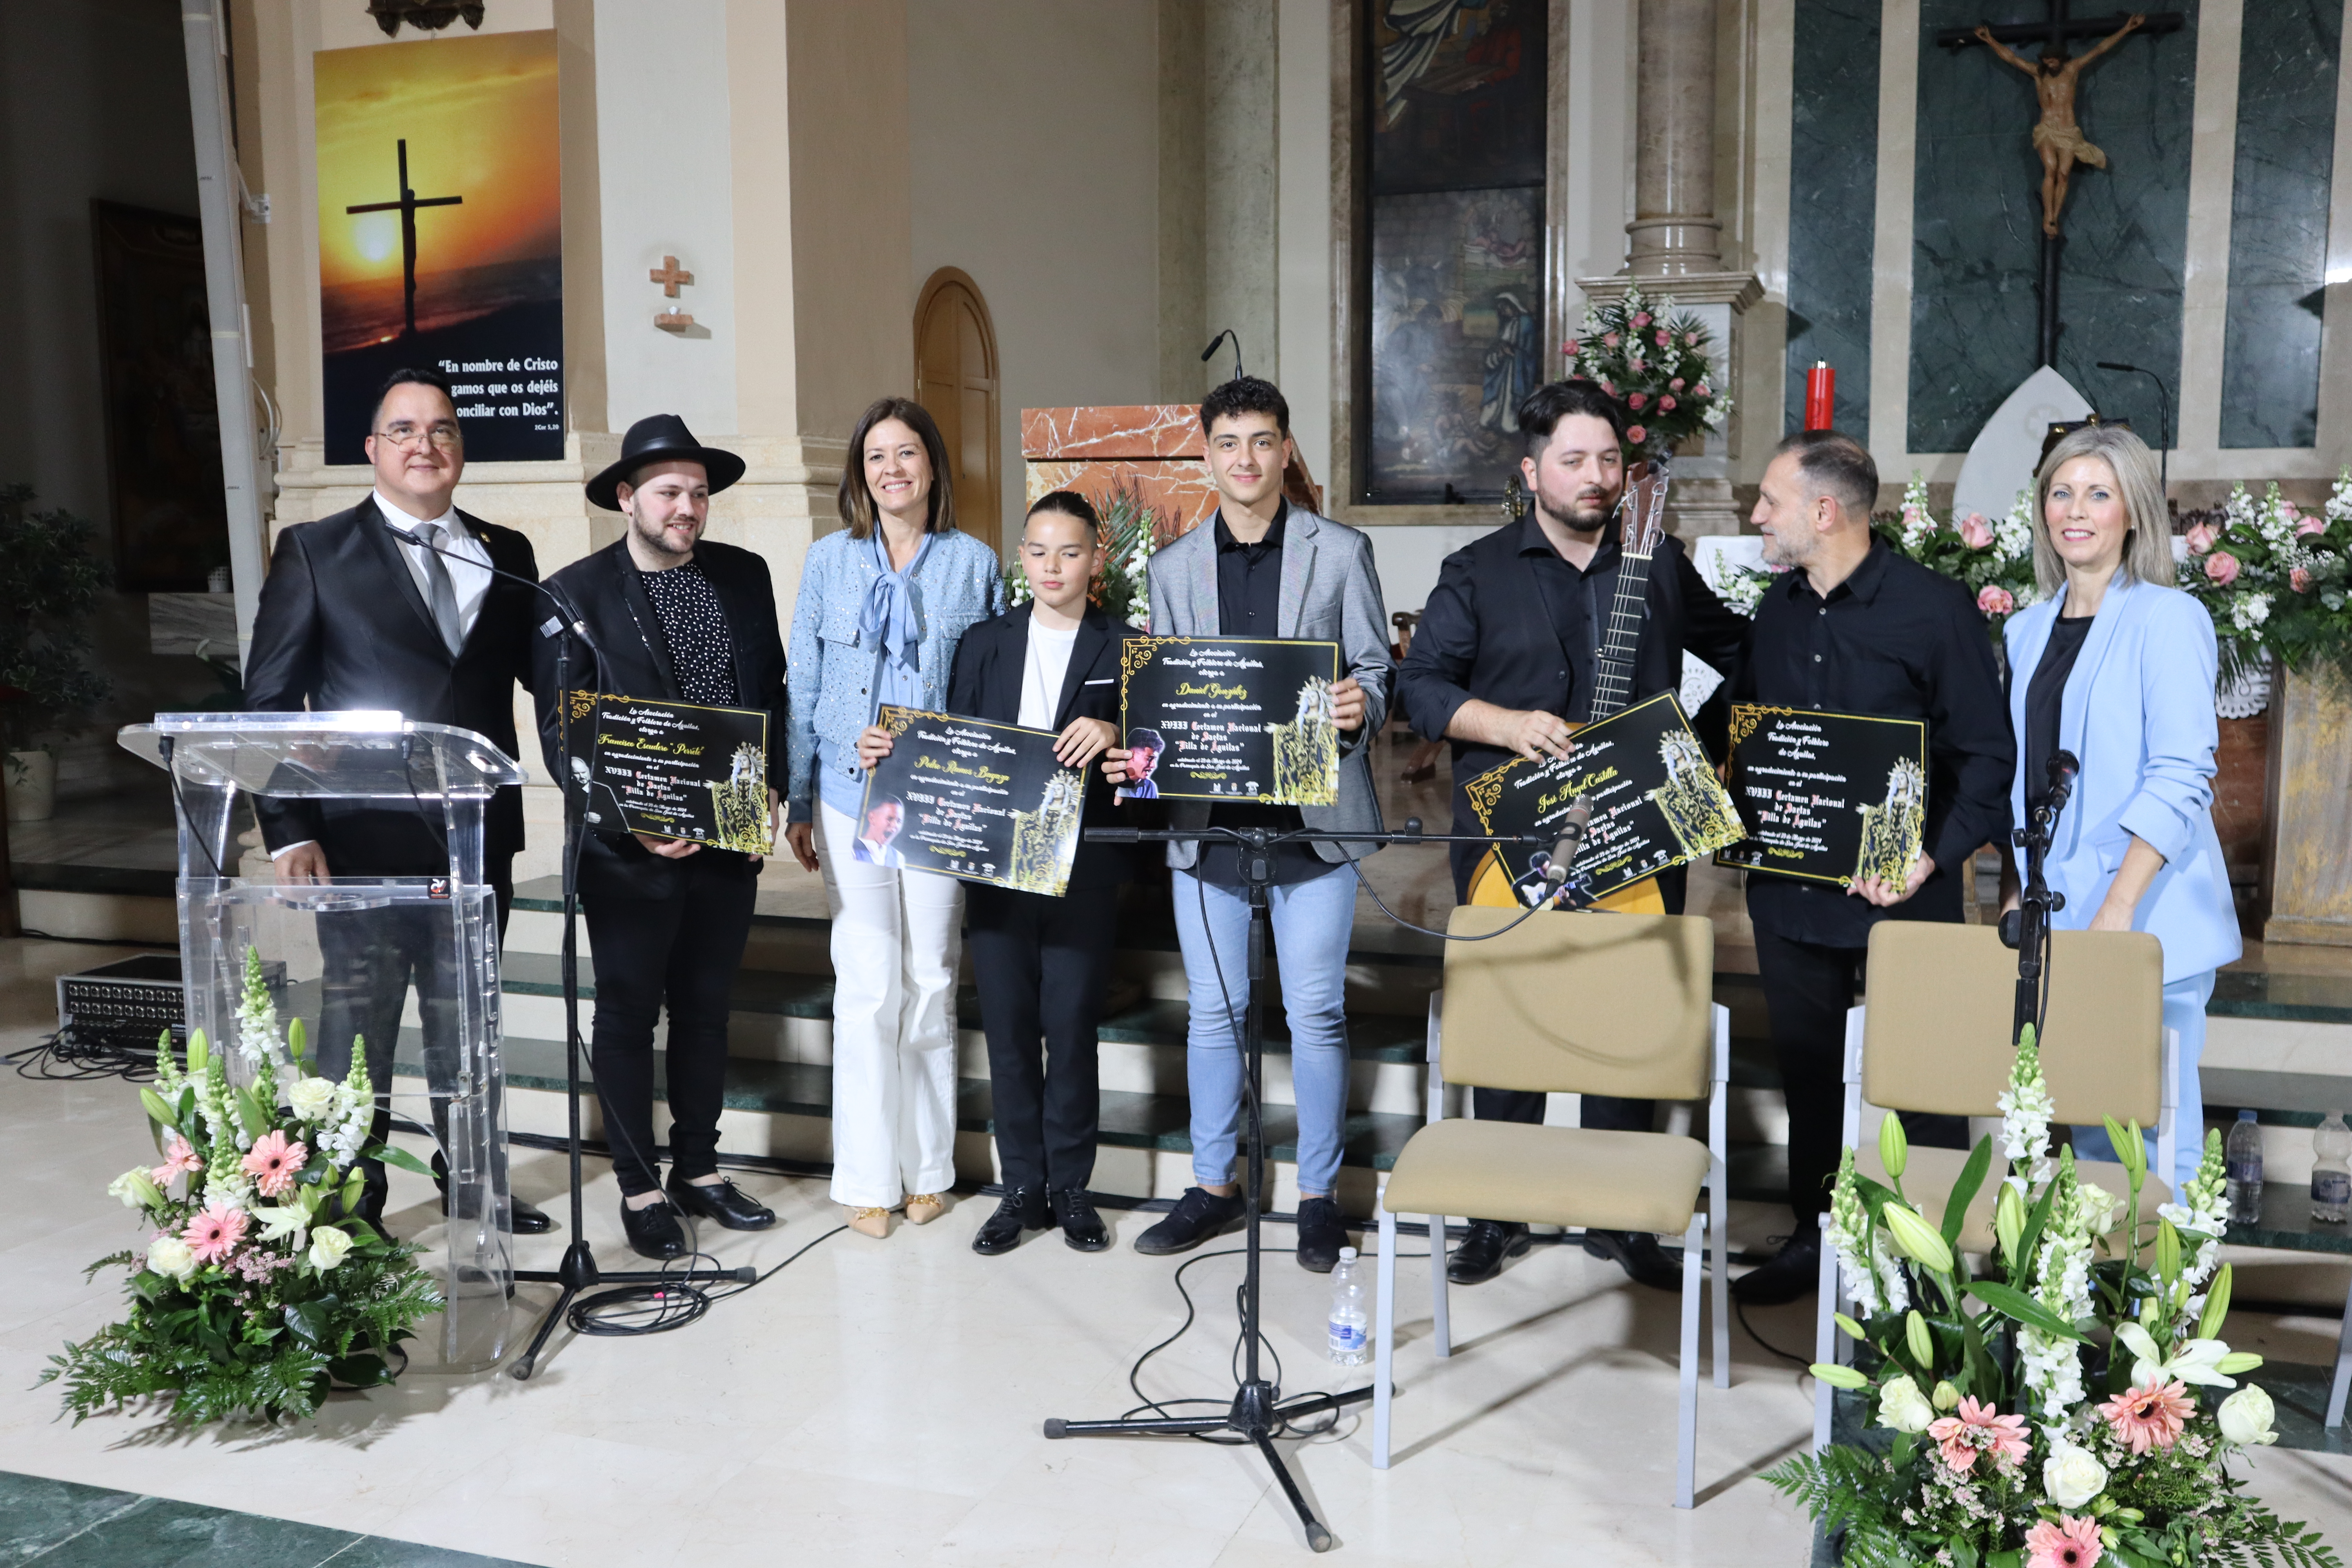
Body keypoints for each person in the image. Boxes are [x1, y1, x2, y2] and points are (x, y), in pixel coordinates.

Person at [1394, 378, 1748, 1290]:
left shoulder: (1656, 560)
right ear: (1532, 469)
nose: (1595, 477)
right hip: (1511, 834)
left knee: (1624, 1020)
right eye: (1573, 460)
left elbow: (1743, 651)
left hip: (1636, 831)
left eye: (1608, 461)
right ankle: (1494, 1211)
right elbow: (1422, 686)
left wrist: (1700, 750)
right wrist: (1505, 725)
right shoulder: (1477, 570)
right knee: (1510, 1013)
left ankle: (1621, 1215)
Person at [244, 365, 552, 1235]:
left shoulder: (506, 551)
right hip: (360, 842)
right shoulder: (316, 549)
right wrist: (288, 828)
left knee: (470, 1028)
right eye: (406, 430)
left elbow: (547, 677)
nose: (427, 445)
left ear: (461, 448)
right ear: (374, 449)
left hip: (475, 838)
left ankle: (473, 1180)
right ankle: (353, 1199)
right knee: (359, 1035)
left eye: (444, 430)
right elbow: (269, 703)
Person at [1101, 377, 1392, 1273]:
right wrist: (1134, 752)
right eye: (1229, 442)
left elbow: (1379, 668)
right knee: (1216, 1014)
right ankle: (1213, 1184)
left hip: (1315, 827)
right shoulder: (1170, 568)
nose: (1246, 459)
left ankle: (1314, 1196)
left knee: (1314, 1010)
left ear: (1285, 451)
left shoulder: (1340, 553)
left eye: (1263, 441)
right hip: (1211, 827)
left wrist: (1361, 703)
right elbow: (1161, 696)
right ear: (1208, 455)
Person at [1731, 429, 2014, 1305]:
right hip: (1790, 898)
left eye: (1770, 500)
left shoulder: (1936, 610)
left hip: (1907, 894)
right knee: (1811, 1080)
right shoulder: (1776, 609)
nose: (1756, 517)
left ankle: (1932, 1261)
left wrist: (1928, 859)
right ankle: (1818, 1242)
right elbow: (1746, 732)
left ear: (1825, 510)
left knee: (1925, 1084)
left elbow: (1989, 759)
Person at [533, 414, 788, 1259]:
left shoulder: (744, 577)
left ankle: (701, 1169)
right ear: (626, 497)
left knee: (707, 1011)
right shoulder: (575, 592)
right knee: (629, 1012)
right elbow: (562, 734)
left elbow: (771, 693)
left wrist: (771, 790)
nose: (688, 507)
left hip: (729, 839)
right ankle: (640, 1183)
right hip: (626, 850)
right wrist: (631, 820)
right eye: (671, 491)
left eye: (699, 492)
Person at [1997, 424, 2238, 1189]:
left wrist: (2119, 905)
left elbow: (2182, 772)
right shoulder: (2025, 628)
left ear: (2132, 510)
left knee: (2160, 1131)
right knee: (2094, 1132)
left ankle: (2168, 1299)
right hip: (2056, 911)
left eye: (2098, 493)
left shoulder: (2168, 618)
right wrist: (2014, 887)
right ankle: (2106, 1297)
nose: (2077, 509)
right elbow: (2026, 776)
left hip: (2144, 911)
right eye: (2061, 492)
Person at [788, 396, 1004, 1239]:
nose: (892, 470)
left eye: (907, 453)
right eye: (876, 456)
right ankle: (868, 1177)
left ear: (933, 466)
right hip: (851, 796)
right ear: (859, 473)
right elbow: (803, 686)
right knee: (869, 977)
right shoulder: (827, 564)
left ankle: (928, 1169)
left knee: (932, 979)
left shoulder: (973, 564)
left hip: (941, 798)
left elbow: (988, 686)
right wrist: (806, 789)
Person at [940, 492, 1128, 1254]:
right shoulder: (983, 642)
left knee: (1071, 1024)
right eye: (1040, 551)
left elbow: (1153, 758)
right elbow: (954, 744)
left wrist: (1117, 727)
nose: (1054, 566)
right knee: (1011, 1031)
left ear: (1096, 559)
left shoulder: (1125, 646)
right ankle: (1020, 1185)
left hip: (1085, 865)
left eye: (1070, 552)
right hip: (995, 865)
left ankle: (1071, 1185)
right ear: (1023, 558)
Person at [854, 797, 907, 867]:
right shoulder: (852, 850)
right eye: (890, 819)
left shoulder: (898, 858)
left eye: (899, 821)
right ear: (872, 818)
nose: (895, 825)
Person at [1121, 730, 1165, 798]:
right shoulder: (1118, 782)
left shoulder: (1150, 787)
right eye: (1149, 759)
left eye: (1155, 760)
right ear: (1132, 754)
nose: (1154, 766)